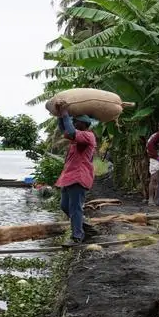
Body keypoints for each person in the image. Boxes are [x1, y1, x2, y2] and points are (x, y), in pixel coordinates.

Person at [53, 103, 97, 243]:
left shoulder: (88, 136)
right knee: (64, 206)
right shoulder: (77, 137)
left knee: (75, 207)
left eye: (76, 121)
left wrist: (66, 114)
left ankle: (77, 236)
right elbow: (64, 129)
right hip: (69, 176)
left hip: (79, 176)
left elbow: (71, 131)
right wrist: (60, 115)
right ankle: (85, 228)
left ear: (83, 124)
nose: (73, 123)